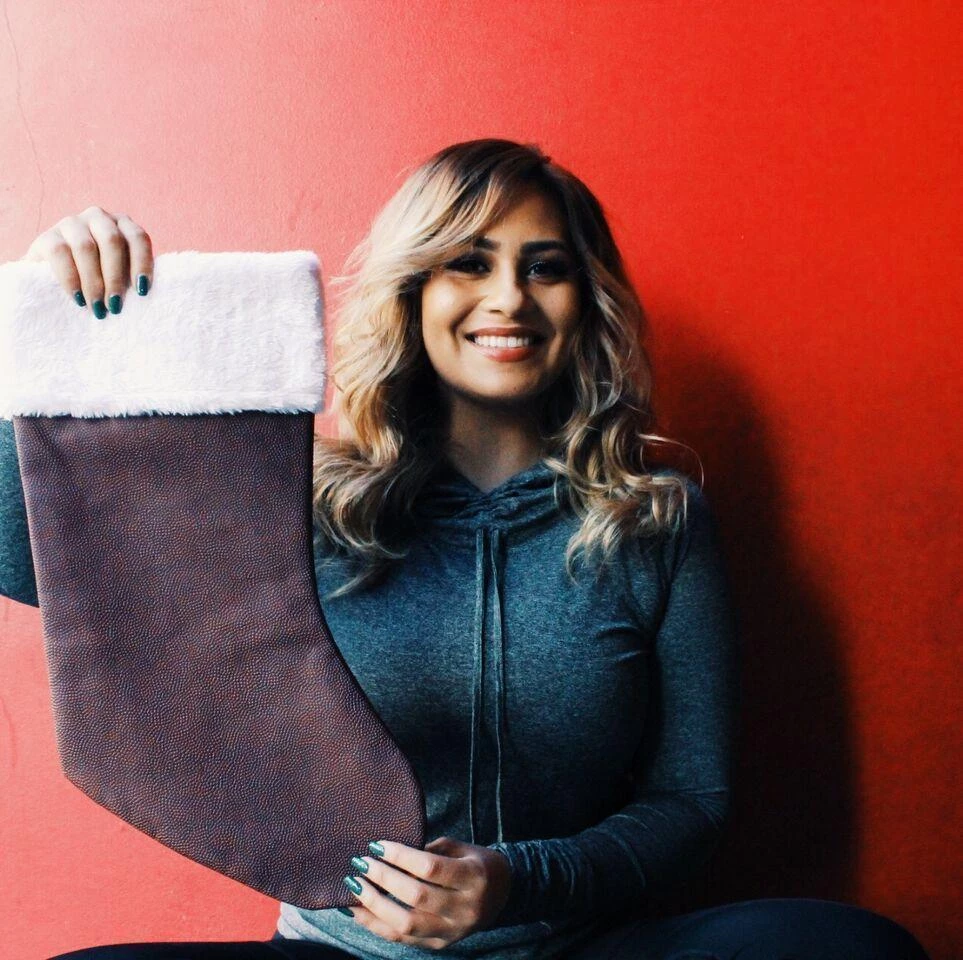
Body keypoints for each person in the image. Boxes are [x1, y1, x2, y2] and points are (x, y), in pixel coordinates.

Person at [0, 139, 930, 960]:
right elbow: (31, 565)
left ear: (586, 299)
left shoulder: (656, 518)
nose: (507, 297)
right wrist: (47, 336)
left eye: (544, 266)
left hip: (573, 948)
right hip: (342, 958)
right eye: (468, 262)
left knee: (849, 947)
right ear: (414, 288)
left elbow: (690, 802)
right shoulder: (295, 499)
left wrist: (516, 883)